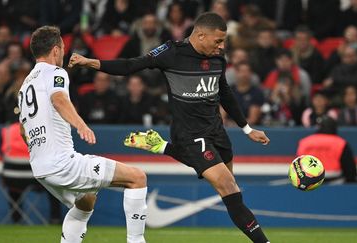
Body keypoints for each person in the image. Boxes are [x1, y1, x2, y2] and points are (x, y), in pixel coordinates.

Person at [69, 12, 271, 243]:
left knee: (232, 191)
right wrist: (89, 62)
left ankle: (162, 147)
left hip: (216, 131)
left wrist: (247, 128)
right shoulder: (171, 52)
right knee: (228, 187)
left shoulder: (217, 57)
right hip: (190, 134)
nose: (222, 45)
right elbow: (130, 65)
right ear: (201, 35)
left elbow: (224, 92)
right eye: (218, 40)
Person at [19, 26, 147, 243]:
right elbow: (59, 99)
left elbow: (24, 130)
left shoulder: (25, 85)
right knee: (137, 178)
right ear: (56, 50)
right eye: (63, 47)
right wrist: (81, 125)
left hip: (40, 167)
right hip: (61, 163)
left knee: (86, 201)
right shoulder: (56, 73)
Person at [297, 116, 357, 183]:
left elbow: (297, 167)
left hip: (308, 183)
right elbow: (350, 171)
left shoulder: (304, 142)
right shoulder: (341, 143)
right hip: (335, 182)